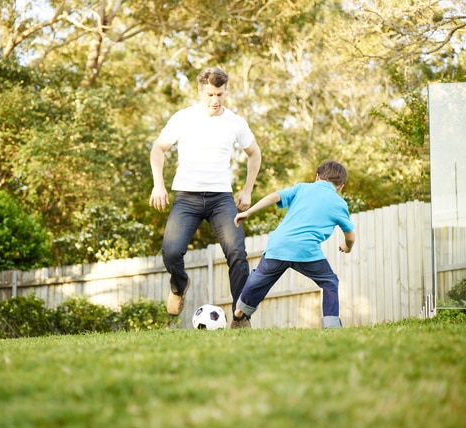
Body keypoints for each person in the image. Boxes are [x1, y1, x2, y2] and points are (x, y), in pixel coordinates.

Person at [149, 67, 262, 316]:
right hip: (186, 197)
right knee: (171, 252)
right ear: (200, 91)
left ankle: (241, 314)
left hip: (221, 198)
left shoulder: (235, 122)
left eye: (220, 94)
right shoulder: (183, 118)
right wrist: (159, 184)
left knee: (237, 252)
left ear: (225, 92)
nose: (215, 100)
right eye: (210, 94)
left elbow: (255, 154)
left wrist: (247, 190)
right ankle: (179, 286)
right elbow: (158, 149)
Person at [231, 160, 355, 329]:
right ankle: (332, 325)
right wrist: (347, 247)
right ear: (341, 186)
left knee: (259, 280)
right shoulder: (339, 203)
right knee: (329, 282)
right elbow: (350, 235)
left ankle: (240, 311)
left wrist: (249, 211)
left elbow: (274, 196)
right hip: (306, 252)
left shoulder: (302, 188)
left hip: (278, 247)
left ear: (317, 176)